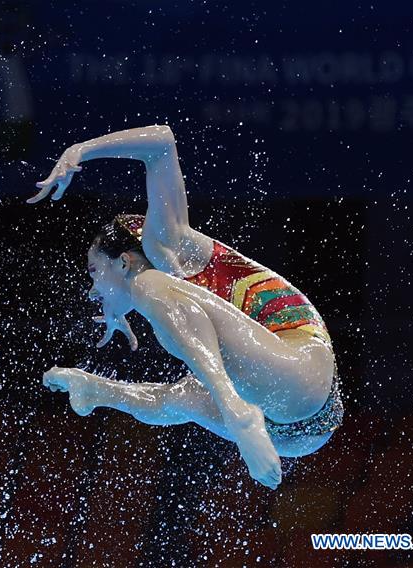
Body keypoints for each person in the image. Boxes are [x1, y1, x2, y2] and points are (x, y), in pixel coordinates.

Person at [28, 125, 343, 489]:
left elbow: (162, 142)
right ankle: (97, 391)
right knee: (182, 396)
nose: (92, 290)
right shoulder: (168, 293)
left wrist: (79, 150)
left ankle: (238, 414)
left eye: (95, 272)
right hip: (296, 430)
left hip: (299, 378)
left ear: (124, 261)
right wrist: (120, 310)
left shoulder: (166, 246)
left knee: (150, 289)